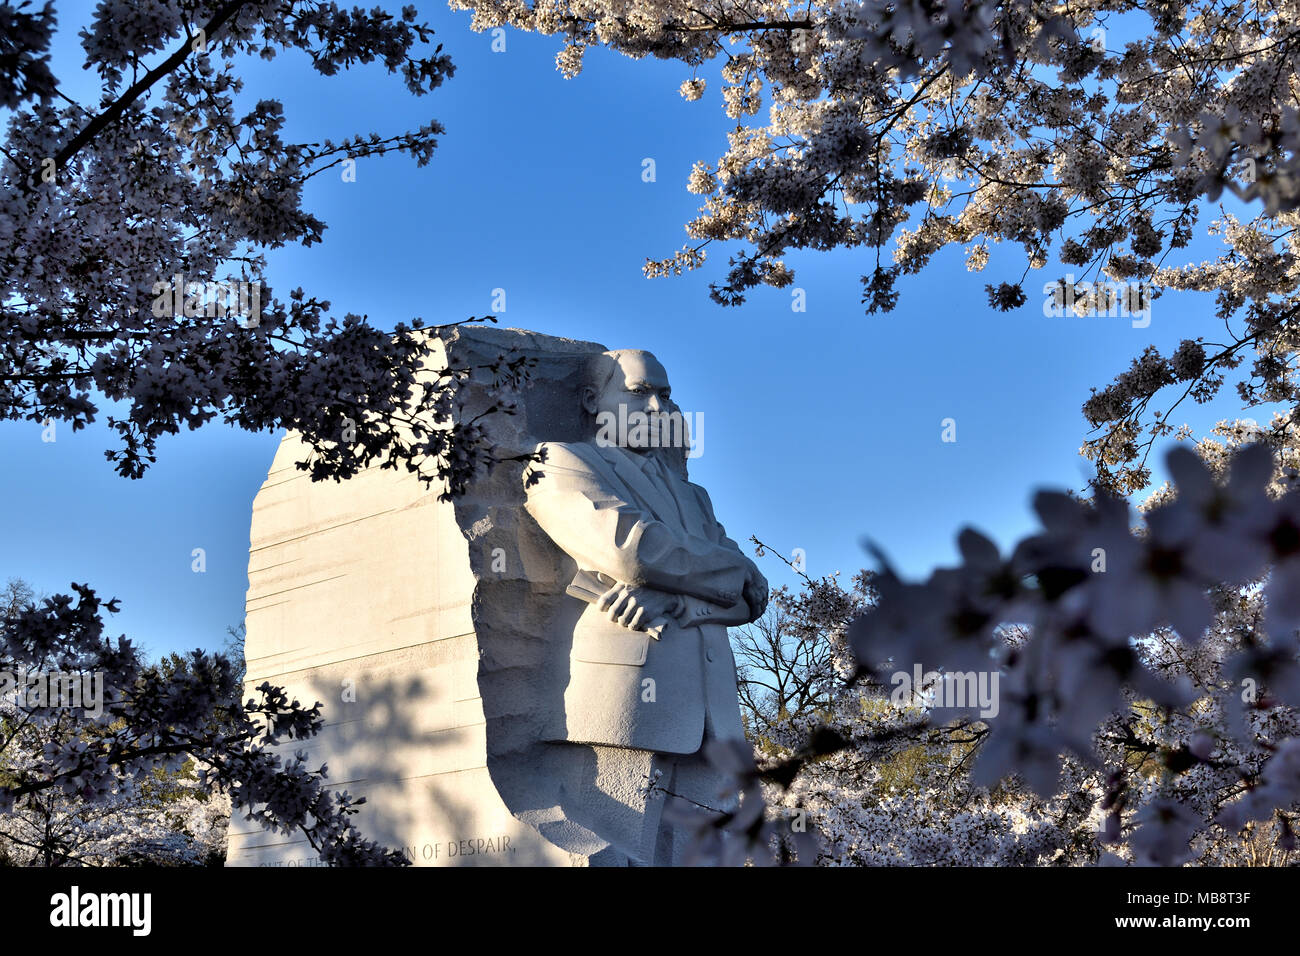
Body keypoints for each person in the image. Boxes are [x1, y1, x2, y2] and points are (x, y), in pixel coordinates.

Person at [521, 349, 768, 865]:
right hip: (628, 701)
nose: (657, 406)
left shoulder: (692, 497)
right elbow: (632, 551)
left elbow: (752, 590)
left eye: (665, 393)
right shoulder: (560, 460)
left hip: (711, 717)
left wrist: (676, 597)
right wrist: (713, 573)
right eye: (639, 392)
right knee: (620, 854)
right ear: (593, 400)